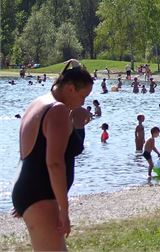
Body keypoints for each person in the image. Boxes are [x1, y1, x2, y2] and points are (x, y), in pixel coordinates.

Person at [11, 60, 93, 249]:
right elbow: (54, 163)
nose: (83, 102)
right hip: (40, 195)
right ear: (71, 88)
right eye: (83, 96)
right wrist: (64, 210)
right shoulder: (57, 110)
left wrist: (22, 191)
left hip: (31, 190)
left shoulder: (39, 103)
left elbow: (26, 153)